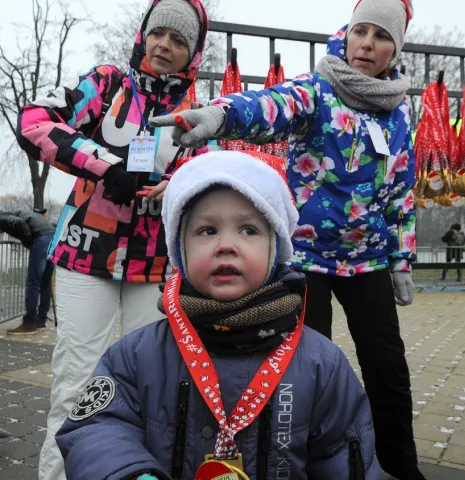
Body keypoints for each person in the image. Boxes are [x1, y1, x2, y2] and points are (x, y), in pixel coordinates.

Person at [151, 1, 423, 477]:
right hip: (308, 258)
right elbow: (268, 106)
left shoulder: (399, 115)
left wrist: (401, 259)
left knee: (389, 372)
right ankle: (300, 463)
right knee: (304, 370)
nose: (367, 44)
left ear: (394, 48)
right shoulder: (319, 91)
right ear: (346, 33)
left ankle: (399, 467)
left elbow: (402, 190)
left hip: (368, 262)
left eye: (381, 36)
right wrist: (220, 116)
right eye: (361, 30)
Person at [56, 150, 381, 480]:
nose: (226, 245)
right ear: (180, 250)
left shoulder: (321, 364)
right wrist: (128, 474)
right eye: (207, 231)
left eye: (249, 230)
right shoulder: (135, 355)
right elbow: (97, 428)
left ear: (275, 249)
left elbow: (346, 456)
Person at [14, 0, 209, 476]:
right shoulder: (107, 82)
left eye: (179, 39)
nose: (165, 45)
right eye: (159, 33)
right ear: (144, 36)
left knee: (149, 386)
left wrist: (179, 184)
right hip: (86, 255)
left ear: (194, 53)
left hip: (157, 262)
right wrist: (106, 165)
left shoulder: (200, 109)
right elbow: (35, 121)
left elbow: (210, 172)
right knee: (76, 383)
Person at [0, 209, 56, 334]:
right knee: (45, 283)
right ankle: (41, 320)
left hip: (41, 240)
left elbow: (20, 225)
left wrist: (29, 242)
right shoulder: (20, 214)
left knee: (32, 282)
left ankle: (29, 323)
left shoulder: (3, 218)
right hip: (52, 238)